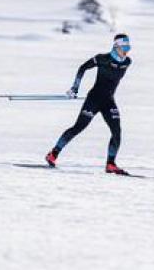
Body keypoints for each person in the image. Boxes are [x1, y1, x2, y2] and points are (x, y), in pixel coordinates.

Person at [45, 34, 132, 174]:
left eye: (128, 48)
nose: (127, 51)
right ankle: (53, 153)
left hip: (108, 101)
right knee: (78, 127)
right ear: (116, 46)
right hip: (94, 99)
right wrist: (75, 88)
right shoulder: (102, 58)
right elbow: (82, 67)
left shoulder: (127, 62)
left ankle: (110, 164)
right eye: (124, 47)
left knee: (117, 132)